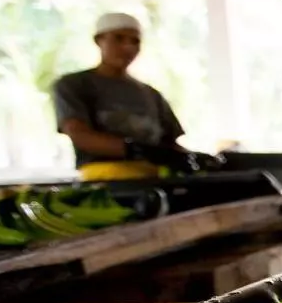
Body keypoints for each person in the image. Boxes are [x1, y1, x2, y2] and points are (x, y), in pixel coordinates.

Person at [52, 13, 212, 181]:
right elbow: (80, 135)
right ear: (99, 40)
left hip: (155, 179)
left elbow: (169, 145)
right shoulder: (74, 85)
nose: (128, 47)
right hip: (104, 182)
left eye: (135, 41)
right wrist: (134, 149)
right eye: (118, 39)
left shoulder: (151, 94)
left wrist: (199, 159)